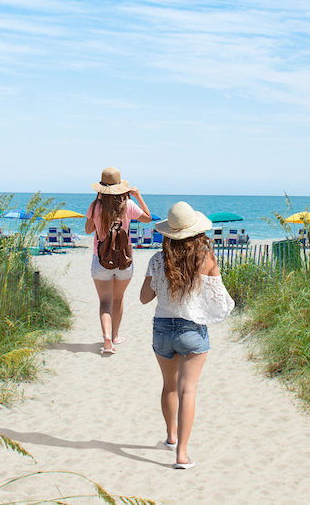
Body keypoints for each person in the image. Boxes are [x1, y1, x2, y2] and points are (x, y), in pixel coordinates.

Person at [140, 202, 225, 470]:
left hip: (162, 329)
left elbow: (144, 298)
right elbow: (220, 301)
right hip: (192, 330)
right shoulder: (206, 258)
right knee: (188, 390)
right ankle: (182, 453)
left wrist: (161, 285)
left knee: (169, 387)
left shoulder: (157, 259)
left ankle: (171, 436)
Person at [85, 167, 152, 354]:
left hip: (100, 260)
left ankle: (106, 337)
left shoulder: (95, 206)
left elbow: (88, 230)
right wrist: (138, 196)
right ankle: (115, 335)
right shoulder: (128, 205)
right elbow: (147, 219)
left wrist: (95, 206)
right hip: (124, 260)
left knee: (104, 301)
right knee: (118, 298)